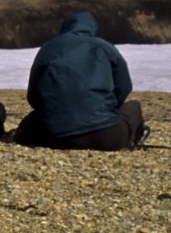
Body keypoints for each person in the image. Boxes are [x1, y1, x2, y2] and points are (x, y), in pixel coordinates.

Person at [13, 12, 148, 151]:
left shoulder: (48, 48)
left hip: (54, 136)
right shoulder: (105, 47)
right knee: (133, 108)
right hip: (106, 136)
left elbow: (34, 96)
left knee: (32, 121)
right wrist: (109, 107)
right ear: (92, 28)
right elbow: (124, 86)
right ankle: (132, 139)